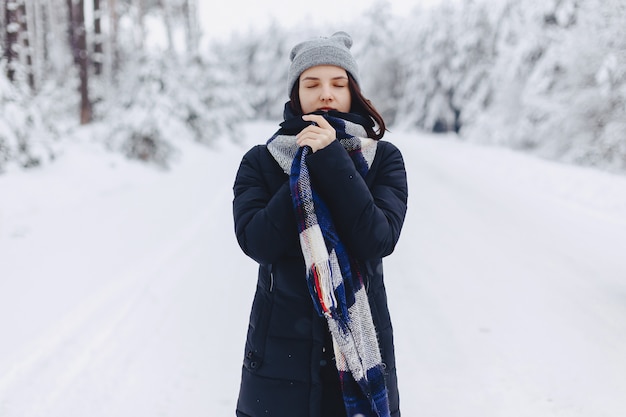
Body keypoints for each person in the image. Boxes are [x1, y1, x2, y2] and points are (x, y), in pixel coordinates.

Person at [232, 31, 408, 417]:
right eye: (312, 84)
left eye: (338, 83)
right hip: (279, 361)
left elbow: (376, 239)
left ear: (352, 93)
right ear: (297, 95)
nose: (326, 94)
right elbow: (257, 242)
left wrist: (331, 160)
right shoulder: (261, 162)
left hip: (361, 352)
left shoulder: (384, 160)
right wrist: (303, 165)